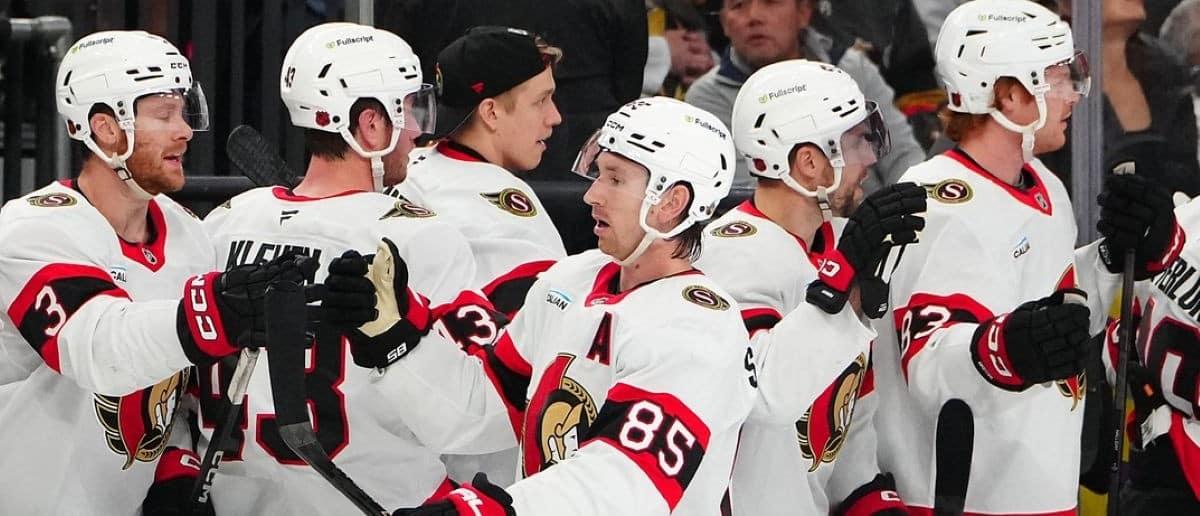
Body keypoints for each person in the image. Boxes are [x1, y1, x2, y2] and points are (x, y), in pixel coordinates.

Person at [325, 96, 756, 515]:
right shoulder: (571, 279)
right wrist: (396, 339)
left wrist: (495, 509)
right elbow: (487, 405)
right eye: (599, 175)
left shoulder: (700, 329)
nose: (592, 195)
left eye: (616, 179)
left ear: (671, 203)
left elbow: (626, 480)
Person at [872, 1, 1183, 514]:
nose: (1073, 95)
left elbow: (1050, 301)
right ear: (1010, 94)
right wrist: (1005, 347)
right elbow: (926, 363)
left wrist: (1118, 256)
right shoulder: (931, 199)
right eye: (1058, 77)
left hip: (1041, 485)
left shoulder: (1046, 185)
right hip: (964, 497)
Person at [0, 30, 308, 515]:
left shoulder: (188, 235)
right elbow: (95, 349)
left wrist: (176, 469)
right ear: (105, 128)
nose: (184, 130)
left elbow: (179, 387)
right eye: (163, 115)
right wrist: (209, 319)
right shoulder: (33, 228)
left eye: (183, 113)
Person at [197, 22, 488, 514]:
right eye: (409, 110)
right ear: (370, 125)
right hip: (374, 500)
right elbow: (477, 411)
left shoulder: (222, 223)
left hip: (233, 501)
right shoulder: (417, 237)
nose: (418, 129)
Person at [697, 59, 926, 515]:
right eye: (856, 143)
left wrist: (868, 500)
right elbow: (762, 394)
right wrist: (841, 281)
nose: (869, 160)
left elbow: (845, 415)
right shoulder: (729, 256)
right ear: (808, 162)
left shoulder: (837, 242)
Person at [387, 26, 567, 318]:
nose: (554, 117)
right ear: (490, 113)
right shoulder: (498, 200)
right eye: (541, 101)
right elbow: (545, 327)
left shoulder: (407, 166)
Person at [684, 0, 924, 192]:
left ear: (804, 12)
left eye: (771, 2)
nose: (753, 16)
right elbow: (743, 191)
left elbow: (902, 155)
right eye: (738, 5)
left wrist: (910, 207)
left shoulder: (852, 69)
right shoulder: (707, 97)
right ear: (724, 23)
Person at [1101, 192, 1200, 514]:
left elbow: (1120, 347)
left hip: (1159, 458)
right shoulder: (1180, 220)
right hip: (1163, 460)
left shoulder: (1184, 218)